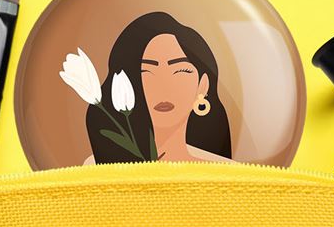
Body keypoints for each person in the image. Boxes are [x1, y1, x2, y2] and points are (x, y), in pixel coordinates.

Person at [83, 12, 233, 164]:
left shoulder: (226, 170)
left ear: (203, 85)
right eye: (146, 71)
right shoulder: (97, 166)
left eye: (180, 70)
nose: (163, 86)